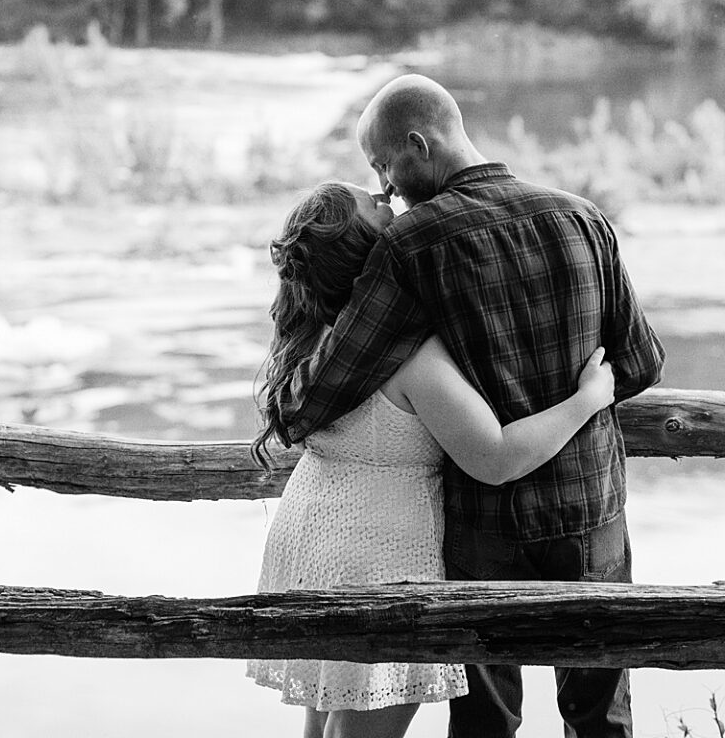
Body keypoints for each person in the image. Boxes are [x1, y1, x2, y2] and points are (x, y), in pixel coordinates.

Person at [276, 76, 666, 738]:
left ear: (418, 144)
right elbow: (641, 362)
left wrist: (285, 387)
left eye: (383, 167)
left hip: (487, 524)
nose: (388, 189)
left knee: (486, 723)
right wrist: (577, 399)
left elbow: (326, 386)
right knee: (601, 716)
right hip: (590, 507)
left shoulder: (411, 242)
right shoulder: (583, 217)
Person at [248, 180, 617, 738]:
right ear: (366, 250)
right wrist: (587, 399)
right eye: (374, 205)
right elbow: (493, 457)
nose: (384, 195)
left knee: (326, 730)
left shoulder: (316, 334)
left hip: (313, 532)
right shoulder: (407, 352)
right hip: (376, 557)